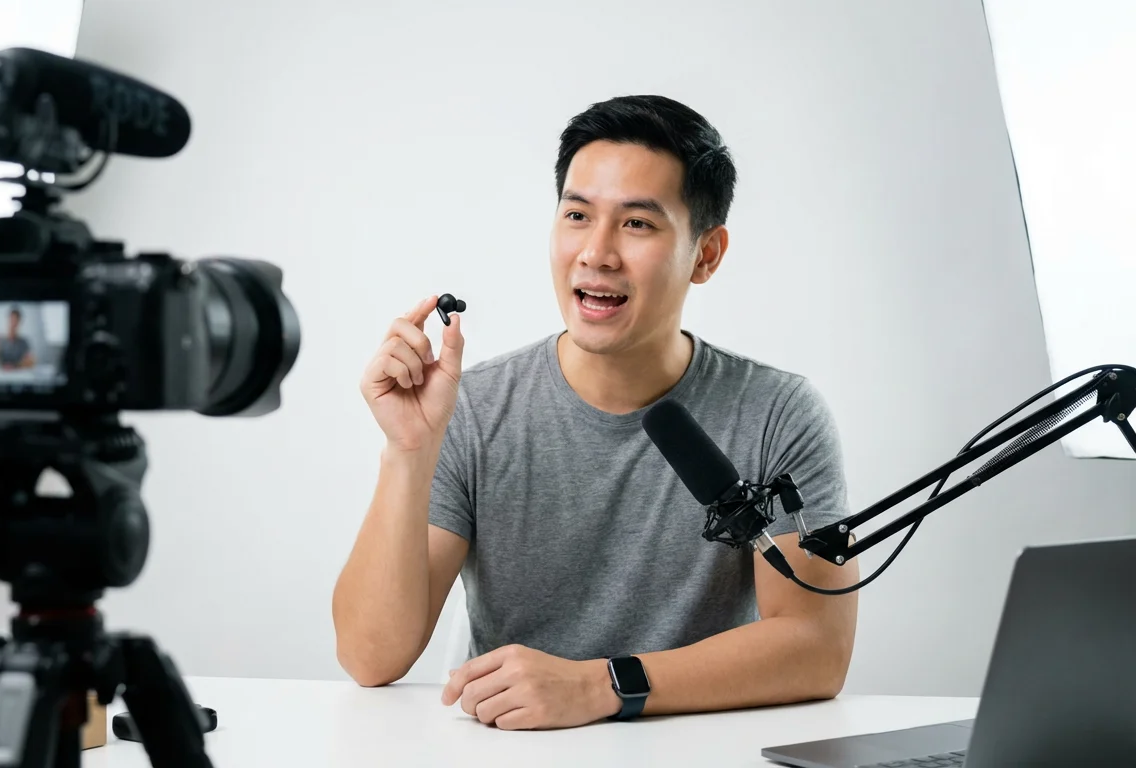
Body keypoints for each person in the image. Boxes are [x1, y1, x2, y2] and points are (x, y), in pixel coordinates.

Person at [332, 95, 860, 731]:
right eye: (577, 215)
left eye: (637, 224)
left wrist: (603, 685)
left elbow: (814, 647)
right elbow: (369, 658)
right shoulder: (473, 408)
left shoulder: (777, 414)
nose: (597, 252)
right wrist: (407, 453)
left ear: (707, 254)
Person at [0, 306, 35, 370]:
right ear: (8, 320)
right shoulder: (0, 341)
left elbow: (31, 362)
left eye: (16, 320)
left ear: (19, 322)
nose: (13, 324)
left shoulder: (24, 342)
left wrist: (14, 366)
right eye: (11, 320)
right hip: (2, 376)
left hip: (19, 377)